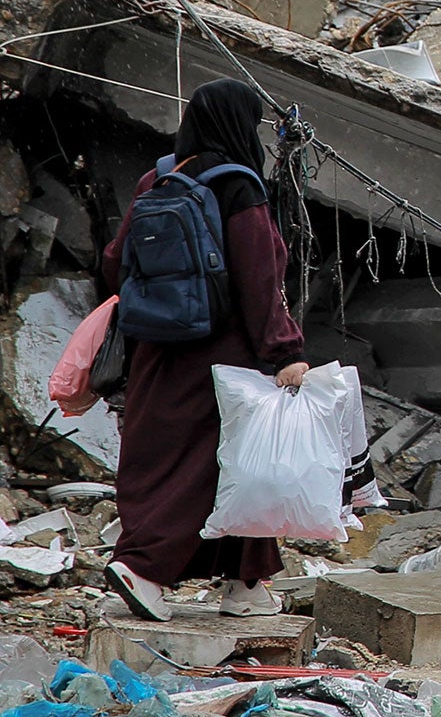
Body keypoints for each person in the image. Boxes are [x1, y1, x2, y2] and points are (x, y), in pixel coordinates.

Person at [100, 79, 307, 621]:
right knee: (209, 467)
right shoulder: (238, 186)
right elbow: (260, 279)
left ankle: (246, 583)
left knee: (174, 458)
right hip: (221, 354)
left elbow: (115, 260)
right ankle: (144, 570)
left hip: (156, 348)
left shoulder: (158, 177)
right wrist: (284, 351)